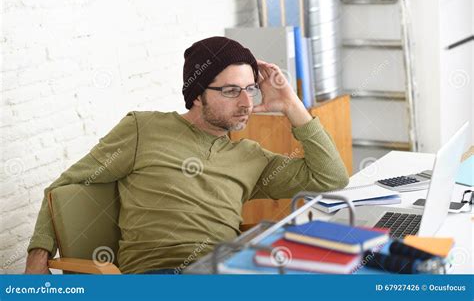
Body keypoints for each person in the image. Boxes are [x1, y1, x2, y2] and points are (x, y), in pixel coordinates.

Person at [25, 36, 349, 274]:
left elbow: (331, 178)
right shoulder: (143, 128)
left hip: (229, 268)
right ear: (196, 95)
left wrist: (291, 106)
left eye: (251, 89)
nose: (247, 103)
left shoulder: (251, 157)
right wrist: (37, 262)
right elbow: (66, 185)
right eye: (231, 91)